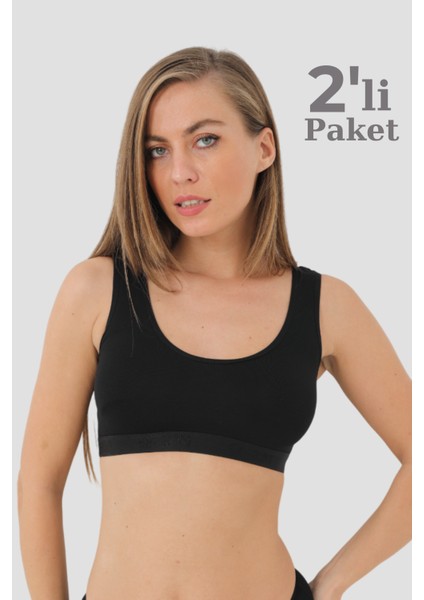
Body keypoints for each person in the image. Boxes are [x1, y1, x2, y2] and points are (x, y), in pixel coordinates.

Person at [17, 46, 411, 600]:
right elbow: (39, 482)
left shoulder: (325, 306)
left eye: (205, 139)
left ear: (264, 148)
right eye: (157, 150)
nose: (179, 172)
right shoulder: (98, 289)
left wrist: (331, 584)